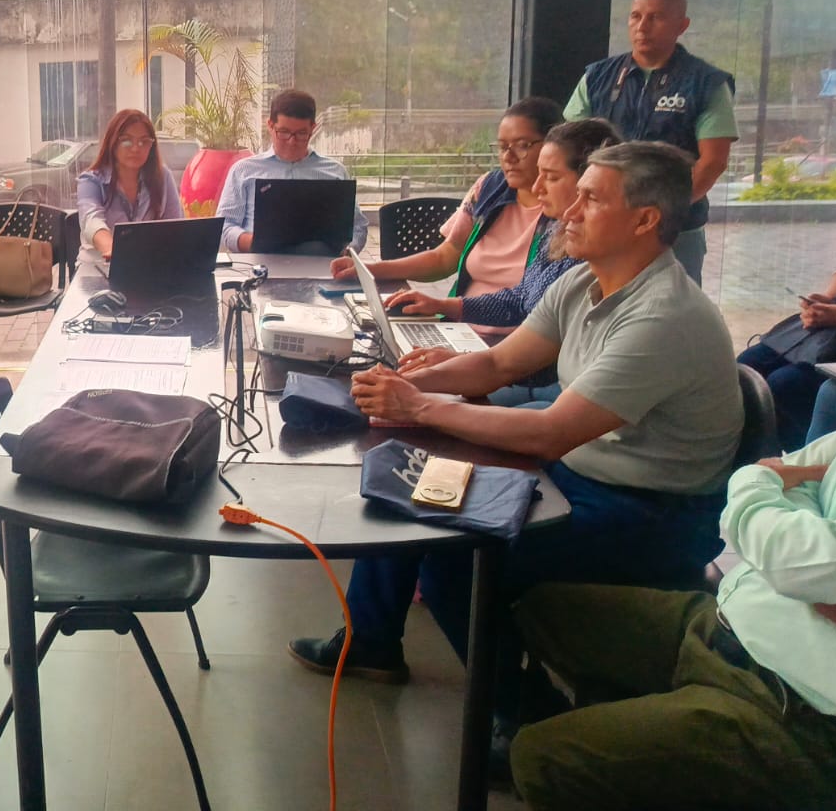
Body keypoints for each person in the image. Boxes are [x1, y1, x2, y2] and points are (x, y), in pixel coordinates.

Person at [289, 143, 741, 730]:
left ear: (645, 219)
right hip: (581, 472)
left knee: (454, 562)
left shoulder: (662, 316)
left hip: (651, 513)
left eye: (590, 199)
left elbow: (550, 433)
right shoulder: (583, 282)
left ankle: (528, 717)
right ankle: (371, 640)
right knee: (420, 479)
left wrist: (419, 405)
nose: (567, 211)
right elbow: (499, 365)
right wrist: (410, 381)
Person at [508, 413, 836, 810]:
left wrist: (789, 523)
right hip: (734, 620)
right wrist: (806, 556)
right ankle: (643, 746)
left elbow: (791, 553)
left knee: (540, 759)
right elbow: (784, 495)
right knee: (542, 610)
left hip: (799, 708)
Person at [388, 118, 621, 406]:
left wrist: (457, 369)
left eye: (551, 177)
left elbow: (533, 367)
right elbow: (520, 299)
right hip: (521, 375)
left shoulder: (595, 262)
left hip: (548, 388)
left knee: (434, 405)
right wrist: (445, 306)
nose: (537, 188)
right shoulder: (557, 233)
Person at [564, 0, 737, 285]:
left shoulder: (706, 83)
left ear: (681, 25)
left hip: (674, 232)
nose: (642, 27)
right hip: (602, 224)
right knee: (593, 300)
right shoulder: (597, 77)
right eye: (636, 16)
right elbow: (568, 147)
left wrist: (663, 214)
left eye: (656, 17)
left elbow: (712, 163)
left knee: (671, 305)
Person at [330, 97, 564, 299]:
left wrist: (448, 307)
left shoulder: (566, 213)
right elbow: (445, 257)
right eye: (502, 147)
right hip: (460, 324)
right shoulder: (488, 188)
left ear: (554, 146)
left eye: (522, 146)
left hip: (509, 332)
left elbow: (524, 307)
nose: (509, 157)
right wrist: (367, 269)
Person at [736, 222, 836, 448]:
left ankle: (799, 456)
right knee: (748, 364)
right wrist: (825, 301)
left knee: (785, 383)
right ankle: (752, 456)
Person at [216, 88, 367, 254]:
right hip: (261, 261)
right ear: (270, 125)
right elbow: (224, 226)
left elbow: (358, 226)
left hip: (323, 262)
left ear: (313, 128)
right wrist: (256, 241)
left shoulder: (335, 172)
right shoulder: (243, 171)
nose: (291, 141)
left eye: (301, 133)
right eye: (284, 132)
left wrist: (347, 253)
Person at [76, 108, 183, 259]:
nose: (135, 148)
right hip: (99, 265)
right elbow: (91, 221)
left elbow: (176, 227)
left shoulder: (162, 176)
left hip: (149, 264)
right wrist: (112, 249)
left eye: (144, 142)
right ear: (113, 143)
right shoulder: (91, 181)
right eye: (126, 140)